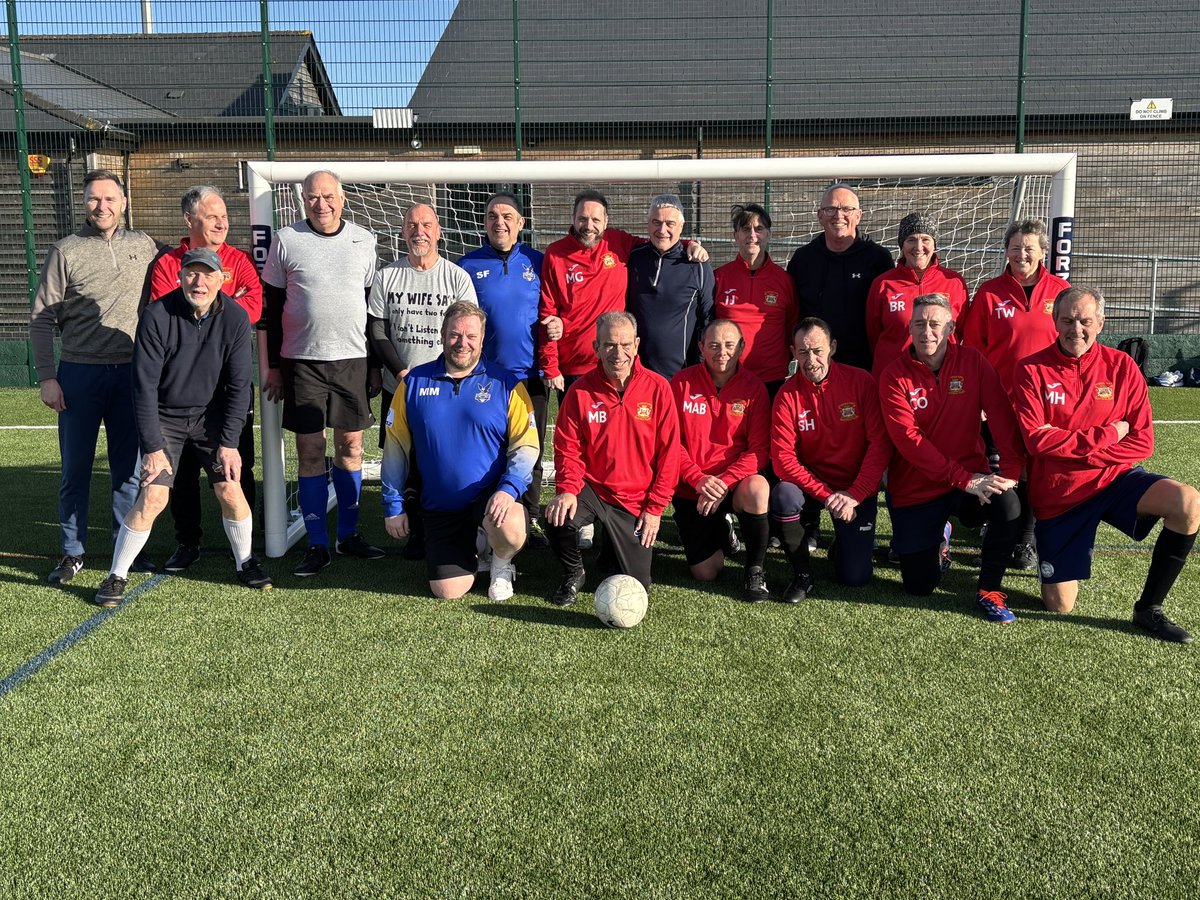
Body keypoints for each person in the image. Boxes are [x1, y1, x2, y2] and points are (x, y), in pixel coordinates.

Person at [1013, 285, 1200, 643]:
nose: (1075, 329)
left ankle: (1149, 608)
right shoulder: (1030, 371)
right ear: (1055, 322)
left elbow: (1143, 441)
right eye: (1067, 320)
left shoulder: (1122, 366)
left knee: (1188, 503)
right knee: (1060, 606)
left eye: (1085, 321)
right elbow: (1037, 441)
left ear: (1101, 322)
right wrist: (1110, 434)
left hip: (1113, 481)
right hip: (1060, 495)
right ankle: (1048, 551)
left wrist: (1074, 449)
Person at [94, 248, 270, 607]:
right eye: (191, 273)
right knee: (154, 497)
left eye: (208, 274)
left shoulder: (235, 318)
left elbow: (239, 386)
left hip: (213, 417)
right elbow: (142, 387)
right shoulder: (157, 315)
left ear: (222, 280)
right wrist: (154, 447)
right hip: (166, 417)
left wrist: (230, 442)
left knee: (231, 491)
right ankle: (116, 575)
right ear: (180, 276)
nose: (199, 281)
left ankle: (245, 562)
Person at [29, 168, 158, 585]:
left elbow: (190, 268)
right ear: (84, 203)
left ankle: (127, 550)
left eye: (109, 199)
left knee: (127, 470)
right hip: (79, 374)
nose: (101, 206)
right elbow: (41, 318)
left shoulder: (146, 245)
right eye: (93, 199)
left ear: (123, 203)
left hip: (131, 374)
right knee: (75, 469)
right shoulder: (64, 250)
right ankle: (72, 552)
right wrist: (48, 377)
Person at [262, 169, 383, 576]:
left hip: (352, 361)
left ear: (343, 198)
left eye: (328, 196)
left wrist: (373, 366)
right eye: (313, 197)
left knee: (351, 448)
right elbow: (272, 309)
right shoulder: (286, 240)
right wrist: (275, 368)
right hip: (303, 363)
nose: (321, 204)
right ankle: (316, 543)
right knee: (312, 451)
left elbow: (372, 309)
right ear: (304, 200)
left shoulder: (364, 240)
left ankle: (347, 534)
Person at [878, 293, 1025, 624]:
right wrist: (965, 479)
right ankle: (938, 538)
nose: (926, 331)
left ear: (951, 328)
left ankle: (989, 590)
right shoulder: (893, 375)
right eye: (918, 323)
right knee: (920, 586)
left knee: (1009, 503)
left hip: (968, 479)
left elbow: (1001, 415)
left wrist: (1012, 470)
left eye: (935, 324)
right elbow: (910, 442)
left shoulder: (972, 362)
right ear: (909, 328)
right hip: (917, 486)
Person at [381, 302, 537, 601]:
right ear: (442, 335)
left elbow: (526, 445)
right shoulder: (413, 383)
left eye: (470, 336)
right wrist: (393, 505)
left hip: (490, 500)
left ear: (482, 338)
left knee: (513, 523)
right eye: (455, 335)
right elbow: (395, 448)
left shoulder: (507, 384)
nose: (462, 343)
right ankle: (478, 547)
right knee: (447, 591)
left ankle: (501, 564)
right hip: (440, 506)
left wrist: (508, 488)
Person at [149, 185, 263, 573]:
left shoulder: (240, 259)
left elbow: (254, 306)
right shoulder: (167, 263)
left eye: (225, 216)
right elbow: (172, 311)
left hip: (227, 390)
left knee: (237, 464)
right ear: (189, 221)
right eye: (212, 216)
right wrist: (225, 302)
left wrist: (213, 308)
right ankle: (187, 541)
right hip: (178, 392)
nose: (222, 222)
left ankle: (249, 544)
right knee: (181, 475)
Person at [544, 311, 680, 604]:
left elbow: (670, 455)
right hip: (593, 488)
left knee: (637, 587)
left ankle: (612, 547)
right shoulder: (580, 391)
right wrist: (567, 490)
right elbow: (567, 447)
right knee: (557, 518)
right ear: (596, 347)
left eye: (625, 344)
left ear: (637, 344)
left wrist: (655, 509)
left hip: (636, 496)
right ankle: (573, 573)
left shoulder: (658, 388)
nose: (618, 353)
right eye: (608, 345)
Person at [367, 202, 478, 560]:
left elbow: (468, 330)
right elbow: (378, 330)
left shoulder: (457, 277)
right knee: (402, 459)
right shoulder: (387, 276)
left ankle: (443, 529)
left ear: (439, 231)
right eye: (412, 225)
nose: (420, 231)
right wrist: (401, 372)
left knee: (437, 459)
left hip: (446, 388)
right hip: (399, 385)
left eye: (427, 224)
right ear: (402, 231)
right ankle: (412, 531)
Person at [961, 218, 1070, 571]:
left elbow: (1072, 346)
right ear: (1005, 251)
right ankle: (998, 538)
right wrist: (978, 398)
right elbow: (974, 349)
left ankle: (1025, 542)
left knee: (1034, 472)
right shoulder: (990, 292)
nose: (1021, 254)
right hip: (998, 400)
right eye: (1014, 248)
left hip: (1044, 400)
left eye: (1028, 248)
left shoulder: (1061, 291)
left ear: (1042, 252)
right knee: (1001, 471)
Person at [538, 189, 708, 395]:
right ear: (573, 218)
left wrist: (688, 244)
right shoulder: (556, 253)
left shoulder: (618, 242)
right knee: (577, 426)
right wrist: (550, 367)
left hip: (618, 363)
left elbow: (662, 242)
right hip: (573, 366)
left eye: (595, 219)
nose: (589, 226)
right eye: (582, 219)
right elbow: (547, 313)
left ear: (606, 221)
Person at [770, 318, 892, 602]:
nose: (810, 360)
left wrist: (856, 493)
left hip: (855, 489)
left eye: (817, 350)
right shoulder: (787, 395)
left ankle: (843, 544)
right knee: (783, 494)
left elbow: (879, 443)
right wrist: (827, 496)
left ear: (832, 348)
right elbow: (783, 461)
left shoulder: (861, 382)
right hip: (815, 486)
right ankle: (802, 574)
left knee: (854, 577)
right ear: (793, 352)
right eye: (802, 352)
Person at [457, 193, 549, 530]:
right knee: (489, 450)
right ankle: (486, 517)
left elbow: (556, 309)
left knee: (531, 450)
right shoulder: (467, 266)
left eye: (508, 216)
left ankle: (530, 518)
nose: (500, 222)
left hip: (532, 375)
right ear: (484, 223)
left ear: (521, 223)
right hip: (486, 377)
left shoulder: (539, 261)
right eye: (493, 216)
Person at [670, 320, 771, 601]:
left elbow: (760, 450)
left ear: (741, 347)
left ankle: (755, 569)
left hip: (733, 484)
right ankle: (722, 529)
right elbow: (670, 444)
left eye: (729, 345)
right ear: (701, 347)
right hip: (694, 488)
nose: (721, 352)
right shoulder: (681, 383)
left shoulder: (755, 389)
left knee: (758, 488)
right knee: (706, 573)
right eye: (713, 345)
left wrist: (724, 482)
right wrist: (699, 479)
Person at [786, 184, 893, 373]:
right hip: (816, 368)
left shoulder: (878, 259)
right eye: (831, 209)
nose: (838, 215)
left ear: (859, 215)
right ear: (819, 215)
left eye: (847, 209)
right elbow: (792, 314)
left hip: (864, 367)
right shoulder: (803, 259)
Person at [866, 212, 969, 379]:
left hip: (942, 377)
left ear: (934, 244)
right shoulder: (883, 284)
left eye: (925, 239)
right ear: (902, 245)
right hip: (894, 378)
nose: (919, 247)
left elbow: (961, 330)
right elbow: (873, 334)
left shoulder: (954, 282)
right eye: (911, 240)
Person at [713, 203, 799, 397]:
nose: (752, 235)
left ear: (768, 234)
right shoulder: (719, 278)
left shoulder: (784, 281)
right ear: (735, 235)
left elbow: (791, 326)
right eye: (745, 229)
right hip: (729, 377)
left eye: (759, 229)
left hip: (772, 380)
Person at [626, 193, 715, 380]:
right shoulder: (633, 258)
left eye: (670, 224)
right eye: (656, 222)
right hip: (635, 373)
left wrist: (702, 366)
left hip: (681, 375)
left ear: (681, 227)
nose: (662, 229)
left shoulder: (697, 265)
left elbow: (707, 317)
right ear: (648, 224)